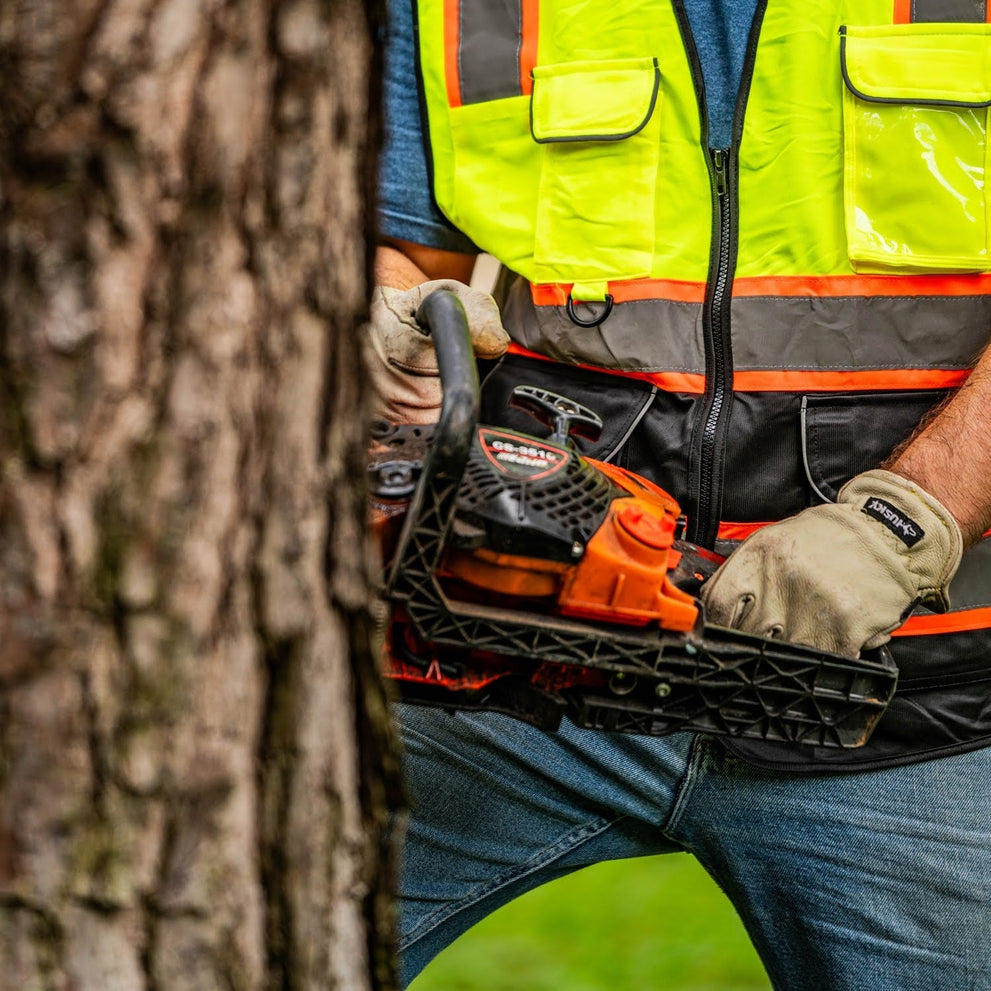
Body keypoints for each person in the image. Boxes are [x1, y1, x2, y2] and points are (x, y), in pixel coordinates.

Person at [372, 1, 991, 987]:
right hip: (514, 657)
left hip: (908, 698)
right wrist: (381, 306)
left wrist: (903, 523)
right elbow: (411, 245)